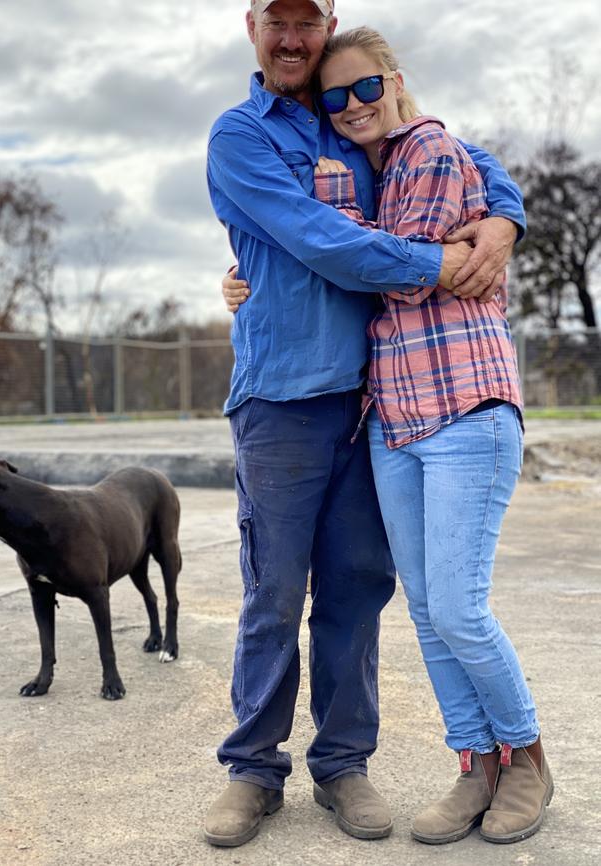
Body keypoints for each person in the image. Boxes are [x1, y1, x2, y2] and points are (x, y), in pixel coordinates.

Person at [205, 0, 526, 848]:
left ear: (329, 25)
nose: (291, 38)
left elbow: (473, 159)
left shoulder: (357, 116)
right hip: (280, 397)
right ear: (252, 27)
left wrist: (503, 219)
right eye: (276, 22)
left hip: (375, 401)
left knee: (357, 591)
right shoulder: (242, 137)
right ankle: (253, 771)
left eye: (307, 22)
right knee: (273, 591)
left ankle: (344, 764)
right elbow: (316, 237)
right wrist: (441, 261)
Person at [305, 26, 552, 845]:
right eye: (332, 97)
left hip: (465, 409)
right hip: (395, 420)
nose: (350, 108)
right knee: (426, 610)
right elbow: (392, 261)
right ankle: (473, 764)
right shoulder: (373, 169)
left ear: (395, 82)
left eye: (364, 88)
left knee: (459, 605)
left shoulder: (433, 149)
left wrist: (354, 247)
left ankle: (527, 758)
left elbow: (395, 272)